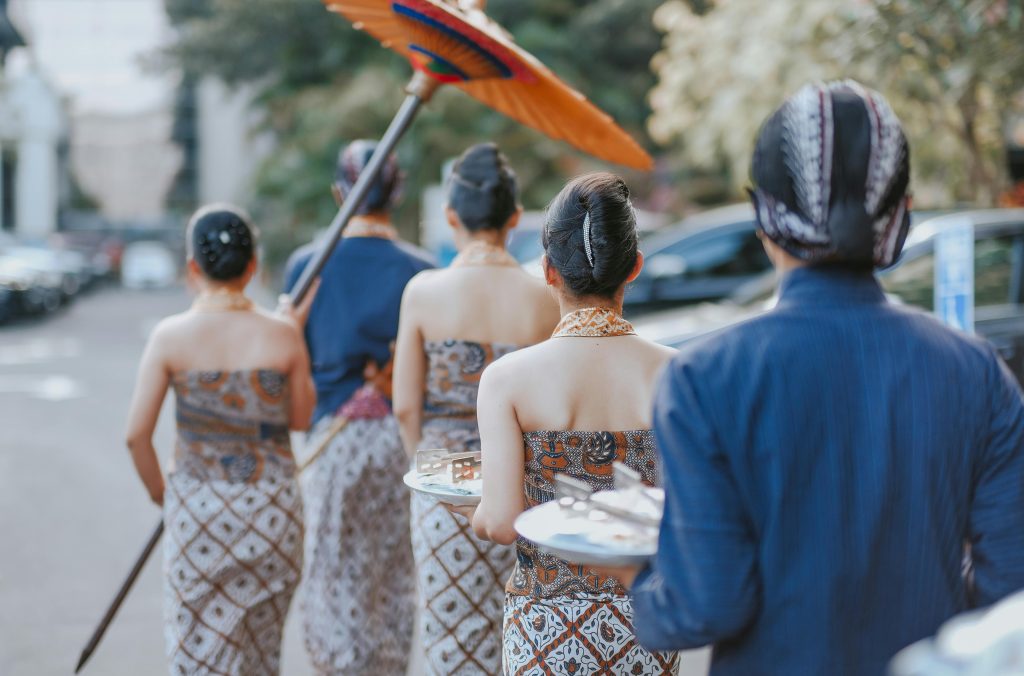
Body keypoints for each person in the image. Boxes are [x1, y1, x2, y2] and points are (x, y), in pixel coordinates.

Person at [614, 81, 1024, 675]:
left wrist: (639, 578)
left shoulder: (703, 379)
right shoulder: (978, 373)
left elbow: (704, 606)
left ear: (765, 218)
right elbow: (1010, 588)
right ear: (899, 216)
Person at [461, 173, 679, 674]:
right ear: (635, 268)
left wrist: (470, 513)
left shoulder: (507, 379)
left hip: (544, 627)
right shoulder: (677, 374)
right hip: (646, 621)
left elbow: (498, 522)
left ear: (547, 270)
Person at [125, 204, 317, 675]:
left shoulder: (169, 337)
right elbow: (299, 417)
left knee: (197, 653)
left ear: (193, 267)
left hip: (198, 512)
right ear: (252, 267)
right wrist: (294, 330)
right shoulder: (281, 335)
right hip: (272, 514)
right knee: (259, 654)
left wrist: (164, 497)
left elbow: (136, 436)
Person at [392, 143, 559, 675]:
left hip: (442, 483)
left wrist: (427, 470)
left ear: (450, 217)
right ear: (514, 218)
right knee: (522, 633)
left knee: (452, 645)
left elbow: (403, 406)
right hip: (524, 490)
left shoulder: (423, 292)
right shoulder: (541, 297)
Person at [283, 140, 435, 675]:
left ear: (337, 192)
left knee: (332, 565)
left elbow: (291, 361)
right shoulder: (421, 269)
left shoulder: (309, 264)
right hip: (400, 436)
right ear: (397, 194)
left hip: (333, 438)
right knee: (394, 567)